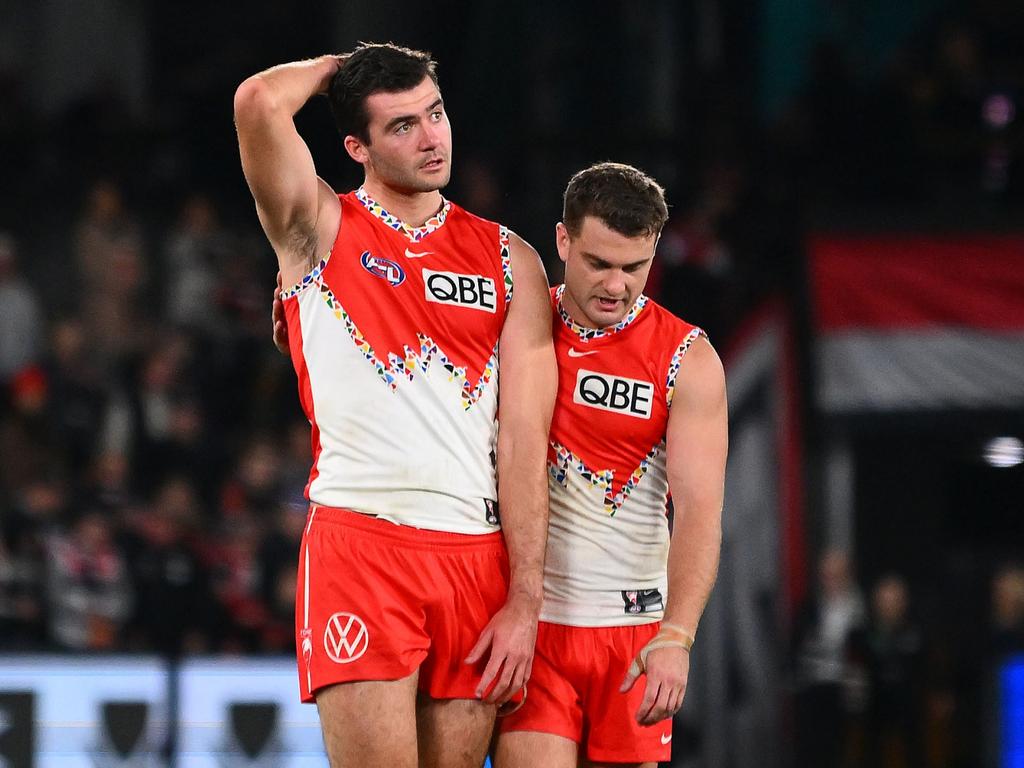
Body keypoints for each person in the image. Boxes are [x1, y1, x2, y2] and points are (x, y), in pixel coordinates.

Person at [235, 43, 555, 768]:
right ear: (358, 146)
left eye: (435, 113)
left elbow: (526, 440)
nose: (432, 136)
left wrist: (525, 600)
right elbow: (256, 102)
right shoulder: (317, 226)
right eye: (403, 124)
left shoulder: (513, 260)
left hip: (475, 556)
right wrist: (345, 65)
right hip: (361, 544)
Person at [493, 163, 729, 767]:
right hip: (533, 627)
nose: (617, 286)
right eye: (599, 263)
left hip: (632, 636)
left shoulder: (688, 359)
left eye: (635, 268)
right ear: (563, 241)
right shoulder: (512, 329)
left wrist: (676, 637)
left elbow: (700, 511)